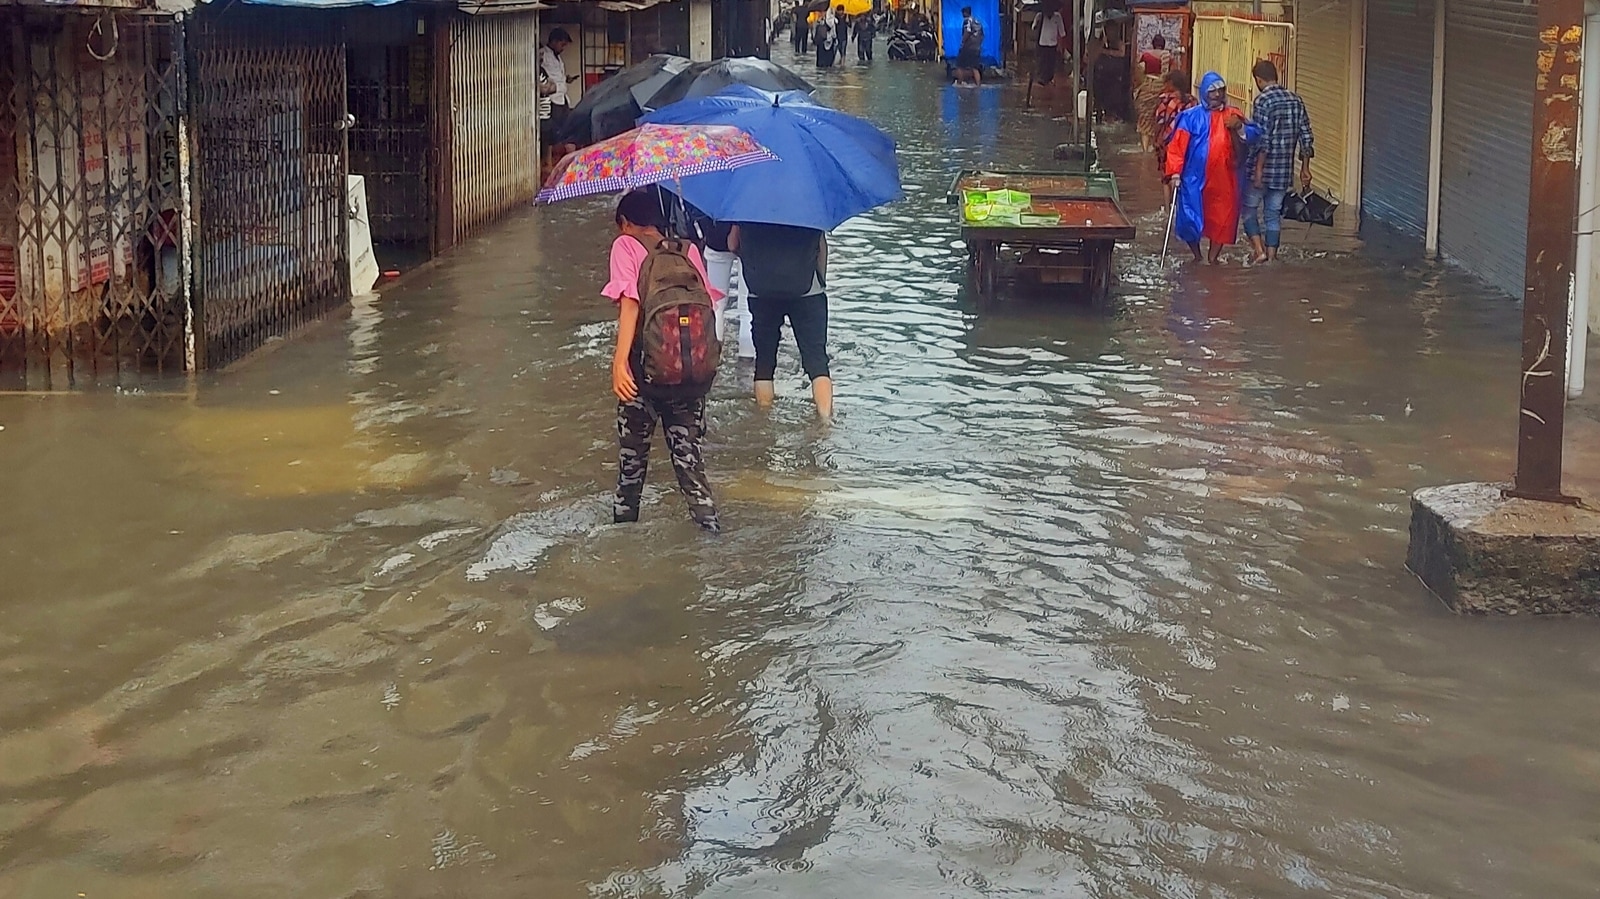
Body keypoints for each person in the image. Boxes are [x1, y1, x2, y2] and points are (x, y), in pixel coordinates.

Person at [603, 189, 723, 531]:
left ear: (625, 223)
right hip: (689, 375)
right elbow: (707, 309)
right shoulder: (688, 251)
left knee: (631, 472)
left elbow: (630, 303)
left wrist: (619, 363)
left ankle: (623, 544)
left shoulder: (624, 246)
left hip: (642, 376)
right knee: (692, 470)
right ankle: (711, 534)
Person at [730, 222, 834, 420]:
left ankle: (764, 419)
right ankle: (825, 423)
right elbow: (821, 250)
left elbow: (733, 245)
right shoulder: (811, 206)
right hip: (808, 292)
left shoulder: (747, 206)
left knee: (764, 364)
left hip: (761, 290)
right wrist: (820, 282)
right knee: (817, 361)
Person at [1163, 72, 1261, 264]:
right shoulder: (1190, 117)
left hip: (1226, 177)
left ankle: (1213, 258)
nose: (1217, 95)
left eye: (1221, 90)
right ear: (1204, 93)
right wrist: (1175, 173)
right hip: (1194, 176)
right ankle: (1197, 256)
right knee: (1189, 215)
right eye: (1212, 91)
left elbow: (1255, 135)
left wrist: (1239, 127)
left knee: (1222, 217)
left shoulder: (1233, 114)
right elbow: (1176, 147)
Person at [1244, 58, 1315, 263]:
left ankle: (1259, 251)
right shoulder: (1296, 100)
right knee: (1273, 214)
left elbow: (1262, 139)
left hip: (1263, 169)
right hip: (1284, 172)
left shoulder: (1263, 101)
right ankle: (1272, 257)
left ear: (1258, 80)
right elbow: (1306, 137)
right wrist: (1305, 169)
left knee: (1248, 209)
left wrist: (1258, 171)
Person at [538, 29, 576, 153]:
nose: (563, 48)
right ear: (554, 41)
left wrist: (566, 79)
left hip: (562, 97)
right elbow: (543, 75)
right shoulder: (543, 55)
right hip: (552, 99)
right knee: (552, 132)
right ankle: (550, 160)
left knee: (567, 127)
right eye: (562, 44)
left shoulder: (557, 57)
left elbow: (557, 75)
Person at [1151, 68, 1197, 166]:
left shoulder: (1165, 100)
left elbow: (1159, 122)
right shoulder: (1193, 101)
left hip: (1170, 143)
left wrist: (1155, 139)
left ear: (1171, 84)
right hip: (1189, 142)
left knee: (1170, 171)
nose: (1164, 86)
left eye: (1165, 83)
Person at [1133, 56, 1165, 152]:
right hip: (1156, 110)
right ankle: (1151, 149)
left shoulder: (1143, 81)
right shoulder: (1162, 82)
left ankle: (1145, 150)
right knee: (1154, 127)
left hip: (1144, 109)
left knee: (1144, 129)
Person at [1031, 0, 1066, 86]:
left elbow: (1062, 32)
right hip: (1042, 42)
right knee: (1042, 62)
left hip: (1053, 43)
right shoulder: (1040, 15)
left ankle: (1049, 78)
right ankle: (1042, 78)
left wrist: (1060, 45)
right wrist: (1037, 22)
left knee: (1051, 62)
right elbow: (1033, 27)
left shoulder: (1057, 17)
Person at [955, 6, 985, 86]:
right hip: (977, 48)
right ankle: (978, 85)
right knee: (974, 67)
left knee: (959, 65)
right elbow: (982, 35)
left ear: (965, 13)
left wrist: (963, 42)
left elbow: (967, 32)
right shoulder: (977, 21)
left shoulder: (967, 21)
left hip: (968, 48)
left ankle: (959, 83)